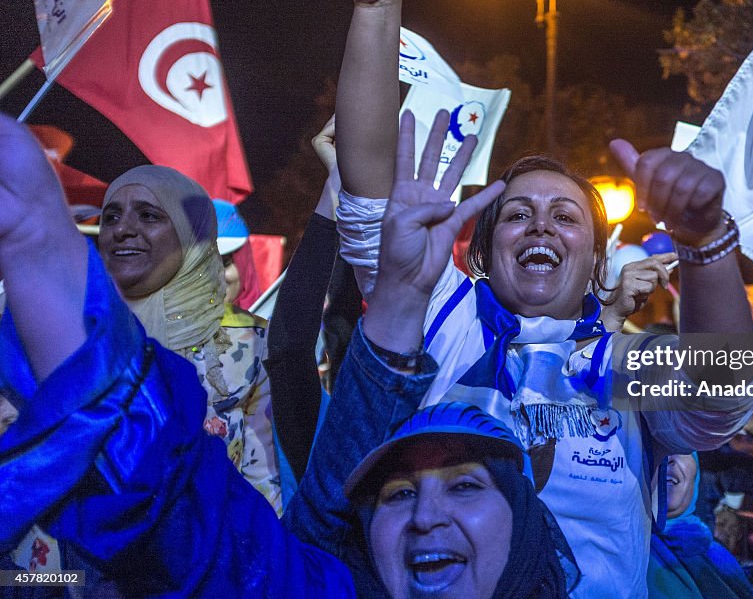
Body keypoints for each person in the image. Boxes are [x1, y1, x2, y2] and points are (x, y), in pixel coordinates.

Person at [317, 0, 753, 596]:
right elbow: (367, 185)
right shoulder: (444, 316)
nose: (540, 226)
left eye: (566, 217)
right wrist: (377, 12)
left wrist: (704, 242)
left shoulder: (623, 364)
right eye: (518, 213)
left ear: (595, 263)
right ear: (485, 258)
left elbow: (724, 389)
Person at [0, 112, 578, 598]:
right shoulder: (457, 326)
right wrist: (37, 248)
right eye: (398, 494)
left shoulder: (622, 366)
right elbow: (197, 508)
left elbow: (674, 413)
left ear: (527, 519)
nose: (425, 518)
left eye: (467, 486)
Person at [97, 165, 281, 512]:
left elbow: (264, 484)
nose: (122, 229)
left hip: (203, 555)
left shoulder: (248, 343)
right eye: (111, 217)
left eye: (148, 216)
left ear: (189, 235)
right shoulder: (63, 330)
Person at [647, 453, 753, 599]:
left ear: (697, 475)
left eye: (682, 450)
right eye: (660, 449)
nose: (669, 459)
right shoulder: (620, 546)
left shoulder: (715, 555)